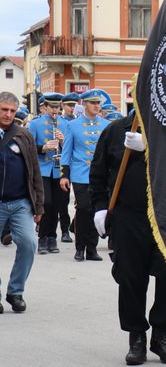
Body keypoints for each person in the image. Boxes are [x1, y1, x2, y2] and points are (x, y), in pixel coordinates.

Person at [90, 113, 166, 365]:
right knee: (130, 277)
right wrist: (100, 207)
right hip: (128, 215)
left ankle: (161, 332)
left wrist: (150, 149)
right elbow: (98, 172)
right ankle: (136, 336)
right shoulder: (114, 131)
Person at [0, 91, 44, 313]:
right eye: (4, 109)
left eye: (12, 111)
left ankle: (15, 292)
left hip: (20, 202)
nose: (8, 114)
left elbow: (35, 171)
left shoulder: (24, 135)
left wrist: (39, 205)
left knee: (28, 243)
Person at [60, 89, 110, 262]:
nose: (97, 106)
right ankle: (80, 248)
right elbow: (66, 152)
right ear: (84, 104)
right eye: (93, 103)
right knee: (84, 210)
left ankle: (92, 249)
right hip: (80, 174)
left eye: (98, 103)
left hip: (100, 176)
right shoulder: (72, 125)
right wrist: (64, 175)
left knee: (97, 210)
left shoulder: (105, 125)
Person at [28, 92, 68, 255]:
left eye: (57, 107)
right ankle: (43, 237)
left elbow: (71, 149)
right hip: (43, 170)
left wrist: (63, 140)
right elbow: (29, 148)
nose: (55, 110)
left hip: (59, 170)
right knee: (46, 203)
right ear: (44, 107)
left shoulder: (65, 124)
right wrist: (43, 148)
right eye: (51, 107)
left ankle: (52, 236)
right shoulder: (36, 124)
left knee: (58, 205)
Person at [56, 94, 77, 243]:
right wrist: (62, 142)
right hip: (62, 166)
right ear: (63, 106)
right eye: (69, 105)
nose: (72, 108)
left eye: (74, 105)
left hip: (77, 167)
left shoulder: (79, 122)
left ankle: (74, 226)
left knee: (81, 202)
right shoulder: (59, 122)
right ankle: (64, 231)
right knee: (63, 201)